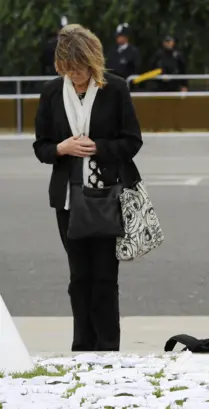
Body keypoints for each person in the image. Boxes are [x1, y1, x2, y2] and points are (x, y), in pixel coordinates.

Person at [33, 24, 143, 351]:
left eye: (80, 69)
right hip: (67, 199)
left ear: (92, 62)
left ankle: (109, 346)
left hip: (106, 196)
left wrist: (97, 147)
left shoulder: (116, 88)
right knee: (79, 277)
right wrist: (60, 149)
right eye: (68, 70)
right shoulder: (52, 92)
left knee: (105, 277)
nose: (75, 76)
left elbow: (132, 141)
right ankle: (82, 345)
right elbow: (41, 146)